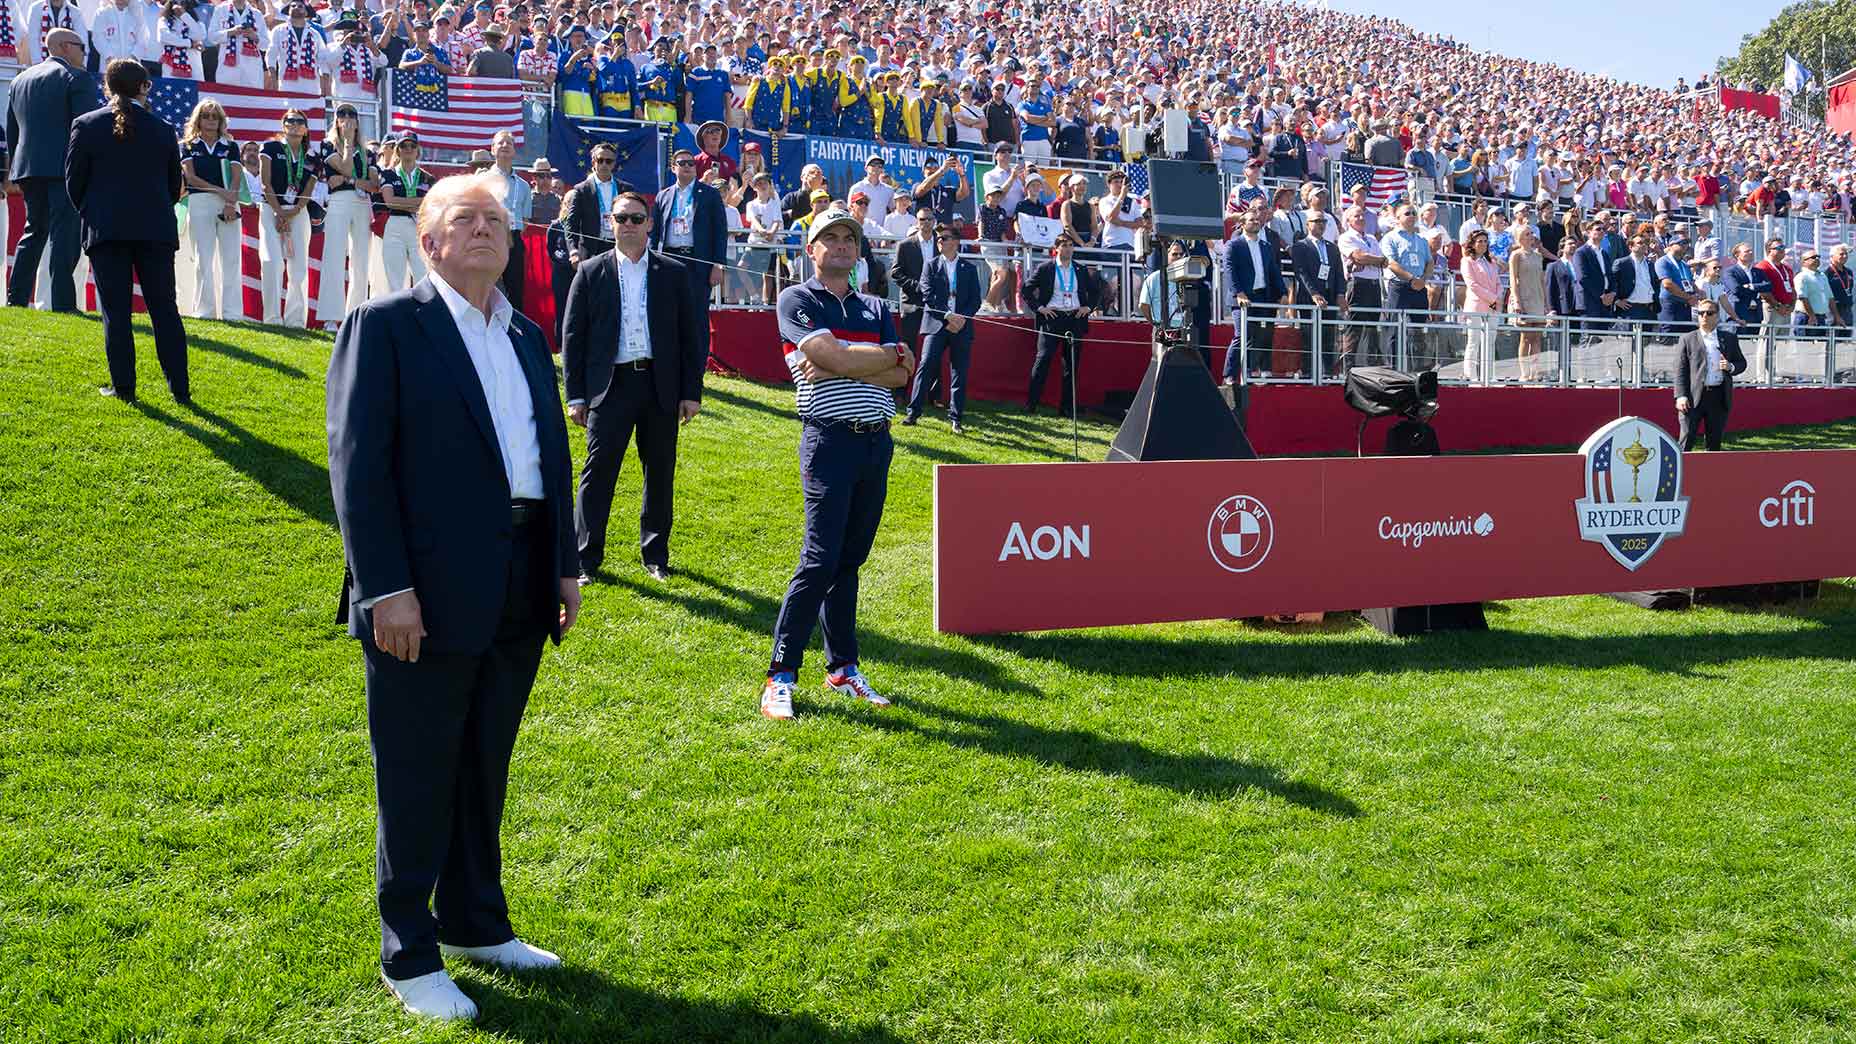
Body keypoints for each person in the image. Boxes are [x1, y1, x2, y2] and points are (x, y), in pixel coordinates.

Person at [327, 170, 579, 1023]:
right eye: (465, 219)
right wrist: (385, 589)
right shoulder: (388, 325)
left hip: (519, 578)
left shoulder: (526, 337)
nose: (485, 232)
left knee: (484, 761)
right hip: (420, 592)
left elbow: (548, 458)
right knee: (416, 769)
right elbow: (358, 471)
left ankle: (476, 922)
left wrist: (564, 568)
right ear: (427, 240)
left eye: (498, 222)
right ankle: (410, 952)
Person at [762, 207, 914, 722]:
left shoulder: (875, 305)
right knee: (820, 559)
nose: (844, 245)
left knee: (850, 560)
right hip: (829, 442)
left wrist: (846, 362)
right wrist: (875, 358)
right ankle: (781, 674)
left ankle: (843, 667)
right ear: (812, 249)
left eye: (850, 237)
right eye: (832, 237)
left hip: (876, 443)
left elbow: (902, 374)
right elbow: (862, 362)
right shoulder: (797, 299)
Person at [561, 190, 699, 583]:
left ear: (650, 224)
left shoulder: (672, 273)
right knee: (598, 472)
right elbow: (573, 337)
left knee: (659, 472)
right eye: (621, 218)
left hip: (659, 385)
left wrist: (691, 391)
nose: (629, 226)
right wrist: (575, 396)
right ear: (611, 223)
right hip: (610, 386)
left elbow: (691, 337)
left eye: (637, 219)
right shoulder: (591, 271)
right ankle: (585, 560)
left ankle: (655, 555)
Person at [67, 59, 186, 405]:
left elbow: (75, 184)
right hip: (155, 230)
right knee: (164, 310)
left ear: (108, 86)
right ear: (144, 87)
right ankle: (179, 389)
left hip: (107, 230)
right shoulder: (164, 130)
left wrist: (95, 214)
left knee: (116, 313)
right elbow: (172, 186)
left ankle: (124, 389)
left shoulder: (85, 125)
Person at [5, 28, 91, 312]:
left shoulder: (19, 80)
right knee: (64, 235)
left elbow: (13, 131)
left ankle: (16, 298)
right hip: (63, 167)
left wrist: (14, 171)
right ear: (66, 46)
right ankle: (63, 303)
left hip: (28, 168)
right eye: (81, 47)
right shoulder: (76, 78)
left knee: (34, 231)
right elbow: (85, 128)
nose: (84, 53)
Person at [649, 148, 726, 367]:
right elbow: (655, 233)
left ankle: (697, 366)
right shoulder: (663, 195)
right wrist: (652, 260)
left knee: (696, 315)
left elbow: (720, 232)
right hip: (668, 260)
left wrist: (718, 264)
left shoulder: (709, 194)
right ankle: (669, 361)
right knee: (668, 313)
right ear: (673, 168)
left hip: (696, 262)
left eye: (691, 163)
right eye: (682, 163)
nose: (687, 166)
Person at [905, 223, 980, 432]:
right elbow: (927, 294)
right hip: (937, 324)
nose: (940, 241)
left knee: (959, 372)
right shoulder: (930, 265)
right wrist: (948, 316)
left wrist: (961, 318)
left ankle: (956, 418)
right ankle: (913, 413)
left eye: (944, 238)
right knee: (926, 365)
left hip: (961, 327)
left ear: (955, 242)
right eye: (938, 239)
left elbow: (975, 299)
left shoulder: (969, 268)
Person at [1023, 231, 1100, 416]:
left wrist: (1088, 307)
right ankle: (1031, 404)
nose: (1068, 248)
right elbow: (1026, 289)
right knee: (1042, 361)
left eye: (1070, 245)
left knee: (1071, 365)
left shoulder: (1080, 269)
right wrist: (1039, 308)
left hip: (1074, 318)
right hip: (1052, 318)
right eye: (1064, 245)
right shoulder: (1045, 268)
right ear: (1056, 248)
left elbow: (1095, 292)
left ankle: (1066, 408)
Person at [318, 102, 378, 328]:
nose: (347, 117)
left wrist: (351, 180)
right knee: (333, 255)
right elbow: (344, 167)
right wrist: (346, 141)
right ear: (335, 119)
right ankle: (331, 317)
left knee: (361, 259)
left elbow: (374, 184)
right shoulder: (327, 144)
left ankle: (355, 316)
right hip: (339, 201)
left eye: (351, 114)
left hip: (362, 203)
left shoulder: (368, 151)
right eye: (341, 114)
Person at [257, 108, 317, 327]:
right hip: (271, 209)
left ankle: (295, 321)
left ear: (305, 128)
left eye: (299, 121)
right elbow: (265, 183)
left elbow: (309, 187)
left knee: (298, 266)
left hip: (297, 212)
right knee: (272, 262)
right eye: (289, 120)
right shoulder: (270, 147)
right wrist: (279, 211)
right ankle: (272, 318)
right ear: (283, 125)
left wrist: (296, 209)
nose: (294, 124)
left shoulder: (311, 155)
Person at [1673, 301, 1746, 451]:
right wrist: (1680, 396)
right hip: (1693, 397)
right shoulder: (1687, 339)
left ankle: (1711, 473)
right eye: (1701, 313)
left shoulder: (1729, 338)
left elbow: (1741, 363)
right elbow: (1680, 370)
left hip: (1719, 396)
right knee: (1686, 438)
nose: (1704, 316)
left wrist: (1730, 366)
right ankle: (1682, 471)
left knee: (1714, 441)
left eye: (1709, 313)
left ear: (1717, 316)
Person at [1224, 209, 1285, 380]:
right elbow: (1229, 271)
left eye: (1258, 220)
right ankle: (1229, 375)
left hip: (1262, 297)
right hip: (1242, 299)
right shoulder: (1233, 244)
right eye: (1252, 220)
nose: (1256, 222)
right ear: (1242, 224)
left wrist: (1282, 292)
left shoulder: (1266, 246)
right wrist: (1239, 293)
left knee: (1260, 336)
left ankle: (1250, 372)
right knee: (1241, 336)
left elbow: (1273, 271)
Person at [560, 142, 633, 266]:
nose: (604, 164)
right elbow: (572, 223)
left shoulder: (625, 189)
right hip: (590, 249)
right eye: (600, 160)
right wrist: (573, 251)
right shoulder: (581, 189)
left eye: (608, 161)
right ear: (593, 162)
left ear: (614, 164)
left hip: (618, 247)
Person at [1293, 211, 1345, 376]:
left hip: (1329, 296)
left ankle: (1328, 372)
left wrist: (1341, 294)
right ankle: (1308, 372)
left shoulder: (1332, 247)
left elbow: (1338, 273)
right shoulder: (1300, 246)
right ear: (1308, 224)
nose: (1321, 224)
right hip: (1309, 299)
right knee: (1309, 337)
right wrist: (1314, 294)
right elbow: (1301, 273)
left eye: (1323, 221)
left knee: (1328, 337)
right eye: (1316, 221)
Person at [378, 134, 431, 291]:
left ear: (418, 151)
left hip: (420, 227)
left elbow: (429, 204)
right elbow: (389, 201)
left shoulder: (427, 177)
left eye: (412, 146)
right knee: (395, 280)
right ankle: (398, 315)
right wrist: (418, 202)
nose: (408, 149)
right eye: (403, 146)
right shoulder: (388, 174)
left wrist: (400, 202)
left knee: (424, 277)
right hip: (395, 225)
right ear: (398, 150)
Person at [1337, 204, 1385, 369]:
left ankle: (1373, 366)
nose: (1361, 218)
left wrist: (1368, 260)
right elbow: (1358, 256)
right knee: (1353, 327)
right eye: (1356, 216)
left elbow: (1379, 260)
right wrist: (1373, 260)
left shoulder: (1371, 238)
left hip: (1373, 285)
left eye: (1362, 215)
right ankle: (1347, 367)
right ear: (1348, 220)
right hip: (1357, 284)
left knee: (1373, 328)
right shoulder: (1346, 237)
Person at [489, 130, 532, 315]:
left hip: (514, 239)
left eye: (509, 143)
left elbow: (526, 220)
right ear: (493, 149)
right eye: (500, 143)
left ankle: (514, 336)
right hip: (490, 238)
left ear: (514, 151)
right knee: (487, 287)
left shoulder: (523, 185)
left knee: (515, 291)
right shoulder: (482, 180)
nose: (505, 146)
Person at [887, 206, 935, 355]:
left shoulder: (941, 244)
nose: (926, 222)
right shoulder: (905, 245)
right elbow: (895, 273)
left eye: (929, 219)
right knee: (909, 348)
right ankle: (908, 378)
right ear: (916, 222)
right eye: (922, 219)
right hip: (911, 301)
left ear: (934, 221)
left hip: (936, 303)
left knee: (935, 349)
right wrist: (917, 286)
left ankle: (934, 379)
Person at [1459, 229, 1501, 383]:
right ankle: (1472, 377)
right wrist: (1492, 299)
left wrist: (1497, 298)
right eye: (1479, 241)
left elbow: (1498, 283)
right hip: (1476, 307)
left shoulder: (1491, 261)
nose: (1483, 244)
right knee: (1473, 342)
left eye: (1485, 241)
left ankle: (1489, 377)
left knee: (1489, 343)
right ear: (1473, 243)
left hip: (1492, 308)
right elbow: (1472, 285)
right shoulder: (1467, 261)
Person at [1507, 223, 1548, 381]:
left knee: (1537, 337)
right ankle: (1525, 373)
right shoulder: (1516, 255)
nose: (1531, 236)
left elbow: (1542, 280)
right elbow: (1513, 279)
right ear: (1519, 238)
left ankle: (1535, 372)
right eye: (1527, 234)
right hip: (1524, 298)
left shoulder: (1538, 256)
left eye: (1531, 233)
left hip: (1537, 299)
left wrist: (1546, 304)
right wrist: (1516, 300)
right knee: (1525, 337)